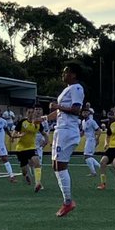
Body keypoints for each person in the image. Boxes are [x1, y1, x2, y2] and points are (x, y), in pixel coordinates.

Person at [48, 62, 85, 217]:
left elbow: (77, 110)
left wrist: (57, 106)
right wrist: (43, 119)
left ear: (74, 74)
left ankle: (68, 202)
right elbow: (59, 114)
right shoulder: (67, 90)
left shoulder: (77, 88)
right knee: (56, 166)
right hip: (61, 130)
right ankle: (67, 201)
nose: (63, 75)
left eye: (66, 72)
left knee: (61, 166)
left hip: (67, 131)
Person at [81, 106, 102, 177]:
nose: (85, 113)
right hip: (88, 140)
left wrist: (97, 139)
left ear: (89, 113)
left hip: (92, 140)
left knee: (86, 156)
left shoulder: (92, 121)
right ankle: (100, 167)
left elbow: (99, 130)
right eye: (83, 112)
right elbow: (83, 132)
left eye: (86, 112)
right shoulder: (83, 122)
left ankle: (93, 172)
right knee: (88, 156)